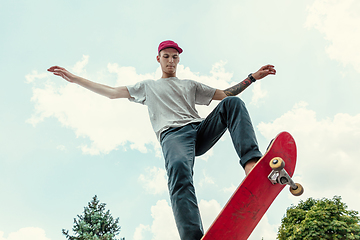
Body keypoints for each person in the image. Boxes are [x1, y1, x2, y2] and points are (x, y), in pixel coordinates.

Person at [48, 40, 276, 240]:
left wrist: (253, 77)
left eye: (174, 57)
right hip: (173, 136)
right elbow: (111, 92)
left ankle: (251, 165)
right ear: (158, 59)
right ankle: (193, 237)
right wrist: (75, 79)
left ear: (179, 60)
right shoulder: (148, 86)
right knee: (179, 171)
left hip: (199, 130)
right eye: (166, 57)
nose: (170, 61)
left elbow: (226, 94)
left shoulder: (190, 85)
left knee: (232, 104)